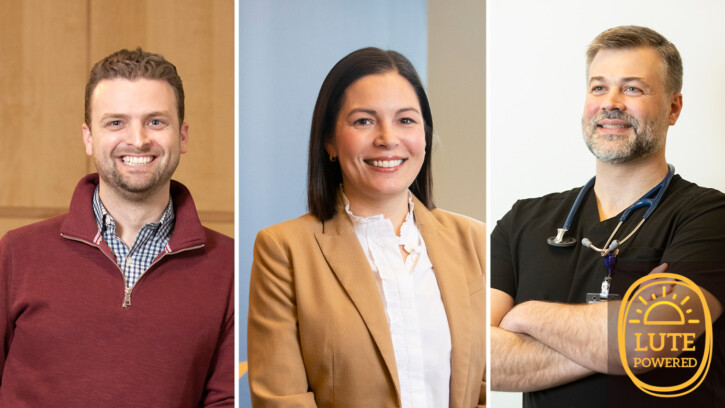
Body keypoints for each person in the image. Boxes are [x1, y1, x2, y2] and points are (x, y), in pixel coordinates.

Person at [491, 25, 725, 407]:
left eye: (632, 88)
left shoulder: (709, 217)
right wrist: (614, 339)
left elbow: (644, 343)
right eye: (598, 87)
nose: (610, 102)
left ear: (673, 108)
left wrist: (525, 314)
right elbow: (482, 361)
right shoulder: (522, 221)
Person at [247, 47, 486, 407]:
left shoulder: (476, 240)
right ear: (329, 141)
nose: (388, 138)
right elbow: (282, 399)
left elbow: (488, 388)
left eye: (406, 120)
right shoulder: (283, 250)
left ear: (425, 135)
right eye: (363, 121)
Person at [0, 48, 234, 407]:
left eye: (156, 122)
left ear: (183, 136)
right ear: (88, 137)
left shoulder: (229, 266)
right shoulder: (17, 253)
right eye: (116, 122)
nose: (138, 139)